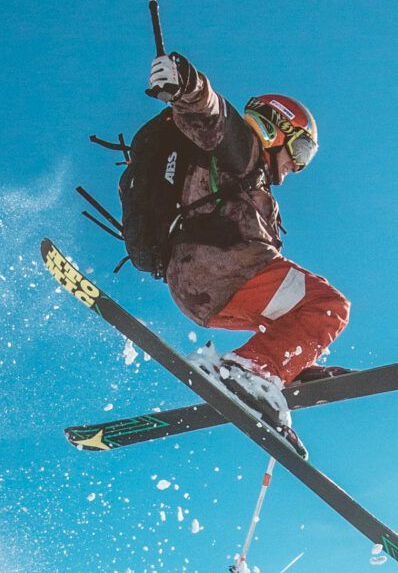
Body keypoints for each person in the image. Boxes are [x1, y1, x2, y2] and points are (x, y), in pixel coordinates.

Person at [147, 52, 350, 457]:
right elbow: (210, 114)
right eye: (302, 149)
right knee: (329, 305)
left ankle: (280, 365)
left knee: (297, 312)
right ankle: (252, 369)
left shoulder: (257, 188)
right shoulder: (242, 148)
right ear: (276, 127)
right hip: (223, 268)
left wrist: (297, 359)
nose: (298, 166)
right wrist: (186, 84)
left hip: (203, 288)